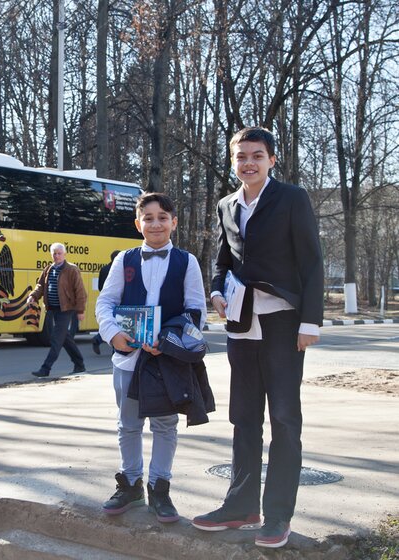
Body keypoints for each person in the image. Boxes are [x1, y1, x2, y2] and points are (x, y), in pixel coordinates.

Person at [191, 127, 323, 549]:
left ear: (271, 159)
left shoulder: (291, 198)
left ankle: (278, 515)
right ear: (233, 160)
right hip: (241, 325)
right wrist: (215, 290)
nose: (248, 162)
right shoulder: (227, 204)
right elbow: (223, 259)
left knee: (284, 419)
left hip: (284, 322)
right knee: (243, 418)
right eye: (241, 156)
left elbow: (312, 260)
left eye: (257, 156)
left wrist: (311, 321)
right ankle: (241, 506)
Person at [96, 192, 206, 524]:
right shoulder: (124, 260)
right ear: (137, 224)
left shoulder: (187, 262)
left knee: (165, 424)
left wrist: (168, 340)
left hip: (165, 359)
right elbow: (105, 302)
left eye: (162, 217)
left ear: (174, 222)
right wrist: (114, 334)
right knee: (128, 424)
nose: (155, 223)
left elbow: (195, 311)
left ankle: (160, 487)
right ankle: (130, 483)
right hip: (128, 359)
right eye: (148, 218)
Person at [27, 243, 87, 377]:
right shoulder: (49, 268)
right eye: (54, 253)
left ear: (64, 254)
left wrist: (80, 310)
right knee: (65, 337)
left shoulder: (72, 269)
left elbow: (80, 291)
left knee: (56, 338)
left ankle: (45, 368)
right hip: (52, 308)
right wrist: (33, 296)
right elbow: (40, 285)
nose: (57, 256)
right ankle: (80, 364)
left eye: (59, 253)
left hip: (66, 309)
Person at [92, 250, 121, 354]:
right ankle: (100, 340)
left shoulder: (104, 269)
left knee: (111, 322)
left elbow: (100, 286)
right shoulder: (119, 269)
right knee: (117, 324)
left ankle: (98, 339)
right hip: (118, 301)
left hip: (106, 300)